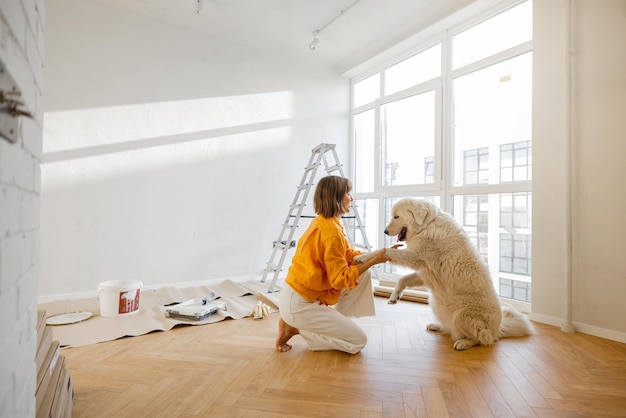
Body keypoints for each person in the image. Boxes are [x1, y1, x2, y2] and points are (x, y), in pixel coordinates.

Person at [275, 175, 390, 354]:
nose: (351, 198)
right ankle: (296, 328)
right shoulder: (331, 231)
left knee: (364, 274)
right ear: (336, 197)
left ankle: (331, 322)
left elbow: (348, 256)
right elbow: (338, 280)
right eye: (348, 193)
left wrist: (379, 253)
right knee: (358, 341)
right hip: (299, 305)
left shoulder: (328, 222)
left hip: (300, 298)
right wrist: (375, 261)